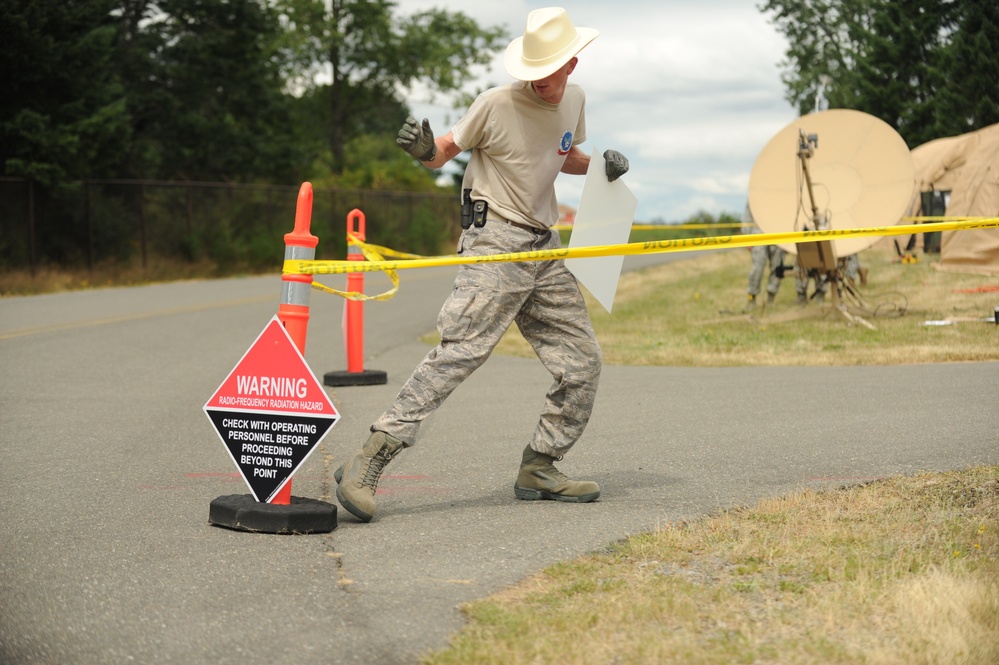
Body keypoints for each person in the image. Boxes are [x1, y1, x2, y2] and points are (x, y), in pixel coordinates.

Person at [334, 7, 630, 522]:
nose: (541, 80)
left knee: (582, 362)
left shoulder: (575, 101)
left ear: (572, 65)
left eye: (551, 70)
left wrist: (602, 163)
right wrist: (424, 150)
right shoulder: (493, 104)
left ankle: (540, 466)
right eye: (532, 71)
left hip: (545, 247)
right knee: (462, 352)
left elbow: (563, 153)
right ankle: (370, 459)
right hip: (494, 241)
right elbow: (442, 152)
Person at [743, 206, 786, 309]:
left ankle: (771, 298)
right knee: (757, 268)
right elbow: (748, 216)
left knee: (777, 268)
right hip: (758, 232)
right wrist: (746, 236)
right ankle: (751, 298)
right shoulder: (757, 192)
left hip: (778, 231)